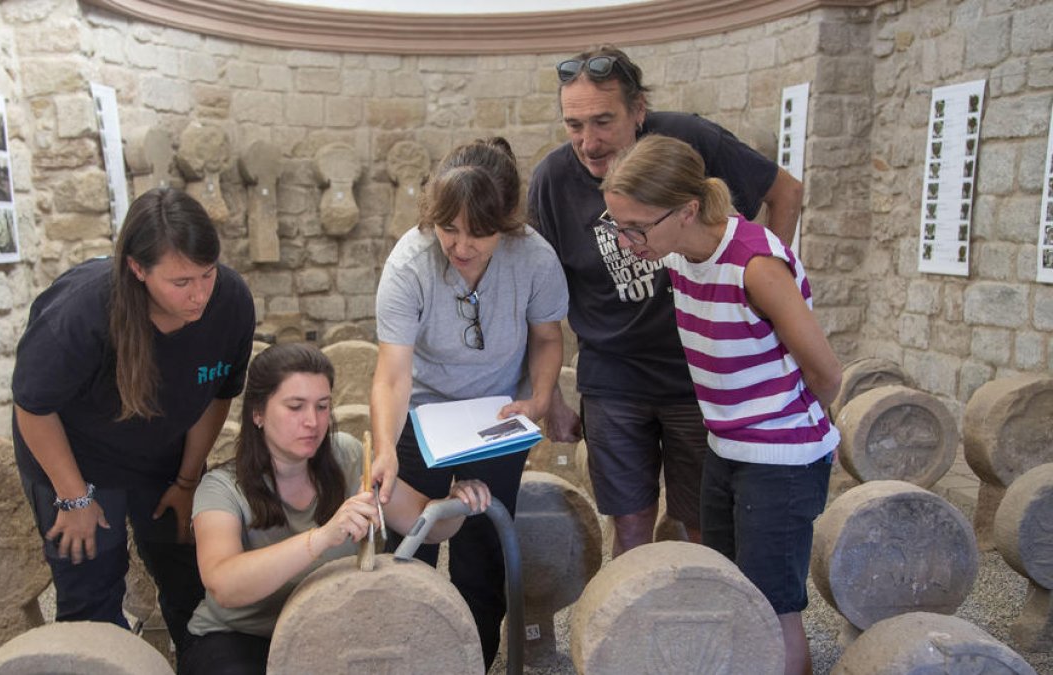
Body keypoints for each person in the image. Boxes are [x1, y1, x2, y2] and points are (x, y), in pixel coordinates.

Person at [527, 44, 804, 555]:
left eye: (604, 122)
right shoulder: (551, 181)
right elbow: (534, 298)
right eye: (574, 125)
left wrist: (768, 291)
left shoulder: (690, 142)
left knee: (704, 529)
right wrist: (553, 397)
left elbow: (785, 192)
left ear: (639, 110)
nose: (588, 143)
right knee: (629, 529)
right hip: (613, 379)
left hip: (700, 376)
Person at [601, 135, 841, 675]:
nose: (627, 241)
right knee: (729, 587)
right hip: (726, 447)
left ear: (687, 210)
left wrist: (790, 422)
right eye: (618, 225)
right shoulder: (681, 253)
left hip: (781, 458)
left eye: (637, 226)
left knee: (773, 606)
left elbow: (827, 372)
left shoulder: (755, 265)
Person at [11, 187, 255, 656]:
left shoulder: (230, 301)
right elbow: (34, 408)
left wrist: (187, 482)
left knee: (189, 574)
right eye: (181, 282)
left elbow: (217, 396)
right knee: (90, 586)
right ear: (137, 270)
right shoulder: (80, 311)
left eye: (207, 274)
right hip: (75, 459)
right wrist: (73, 496)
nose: (200, 294)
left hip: (163, 456)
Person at [371, 136, 567, 667]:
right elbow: (392, 372)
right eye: (448, 228)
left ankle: (474, 657)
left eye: (478, 233)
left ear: (507, 224)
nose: (460, 246)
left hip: (497, 419)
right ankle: (409, 659)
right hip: (423, 418)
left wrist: (541, 396)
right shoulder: (411, 261)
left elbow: (548, 338)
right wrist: (385, 447)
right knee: (411, 545)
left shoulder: (534, 257)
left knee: (483, 554)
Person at [179, 343, 491, 675]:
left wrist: (457, 504)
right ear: (258, 412)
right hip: (242, 639)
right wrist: (324, 537)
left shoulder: (350, 457)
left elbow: (425, 523)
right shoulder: (221, 487)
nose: (312, 422)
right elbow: (224, 585)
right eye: (295, 407)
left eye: (323, 406)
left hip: (333, 631)